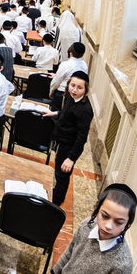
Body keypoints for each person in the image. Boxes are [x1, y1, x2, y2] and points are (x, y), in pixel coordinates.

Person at [44, 72, 93, 206]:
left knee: (62, 176)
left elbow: (82, 137)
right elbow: (66, 113)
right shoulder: (70, 97)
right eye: (72, 85)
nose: (74, 90)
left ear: (86, 90)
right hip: (62, 140)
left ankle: (55, 204)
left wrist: (71, 158)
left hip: (69, 147)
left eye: (79, 87)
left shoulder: (85, 110)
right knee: (58, 172)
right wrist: (55, 113)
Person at [49, 42, 88, 111]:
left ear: (70, 52)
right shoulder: (85, 65)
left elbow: (56, 81)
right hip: (76, 95)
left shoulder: (65, 64)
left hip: (62, 94)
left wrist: (51, 91)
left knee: (56, 114)